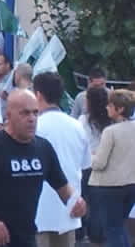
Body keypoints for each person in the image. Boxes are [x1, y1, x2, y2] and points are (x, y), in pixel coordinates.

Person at [0, 90, 87, 247]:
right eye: (25, 113)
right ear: (8, 115)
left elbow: (62, 186)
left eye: (35, 113)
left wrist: (76, 201)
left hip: (26, 237)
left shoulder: (43, 148)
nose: (32, 119)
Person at [32, 73, 91, 247]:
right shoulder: (77, 126)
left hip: (38, 209)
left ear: (38, 95)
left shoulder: (33, 126)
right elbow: (85, 166)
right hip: (69, 209)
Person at [89, 89, 135, 247]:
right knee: (120, 227)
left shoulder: (110, 131)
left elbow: (99, 163)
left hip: (110, 187)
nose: (106, 108)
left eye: (110, 105)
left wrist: (91, 156)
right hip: (131, 184)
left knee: (112, 230)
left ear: (120, 108)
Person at [78, 86, 110, 246]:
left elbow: (80, 142)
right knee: (99, 203)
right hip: (106, 165)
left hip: (86, 165)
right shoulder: (111, 119)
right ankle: (99, 235)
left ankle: (82, 233)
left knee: (83, 199)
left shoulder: (83, 120)